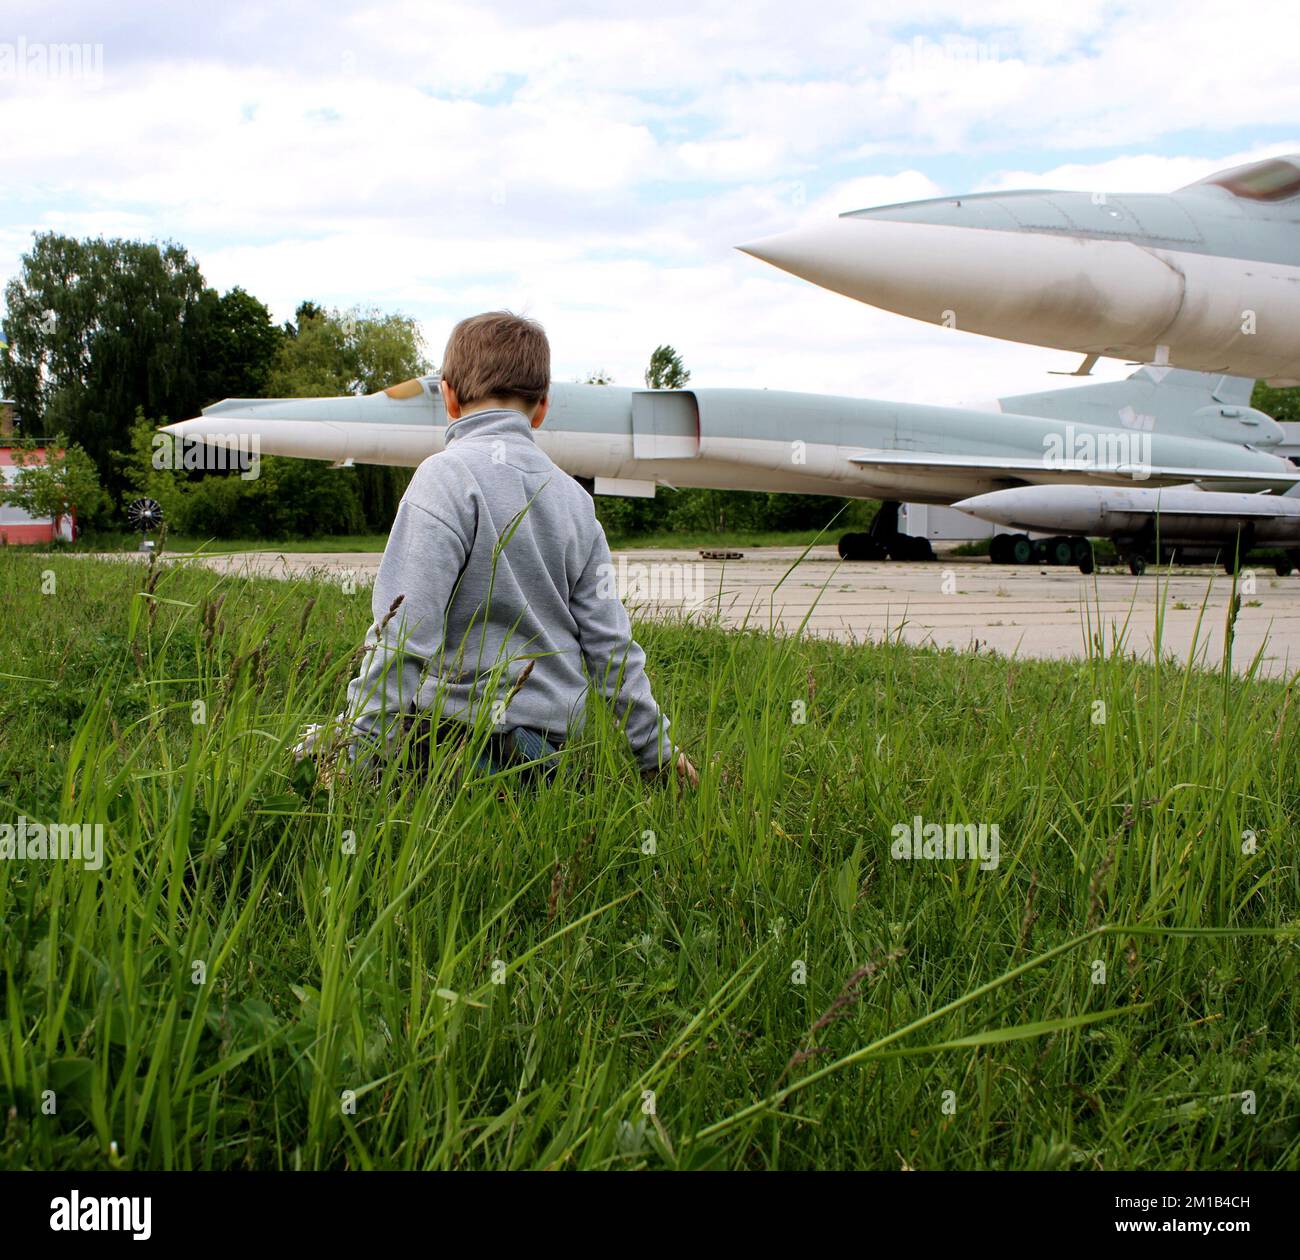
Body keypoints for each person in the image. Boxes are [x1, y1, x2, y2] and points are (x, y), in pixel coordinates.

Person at [305, 310, 697, 788]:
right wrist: (656, 751)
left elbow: (403, 636)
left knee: (308, 748)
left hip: (458, 744)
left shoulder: (444, 478)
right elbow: (610, 646)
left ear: (447, 397)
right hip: (549, 756)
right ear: (542, 406)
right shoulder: (575, 500)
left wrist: (358, 760)